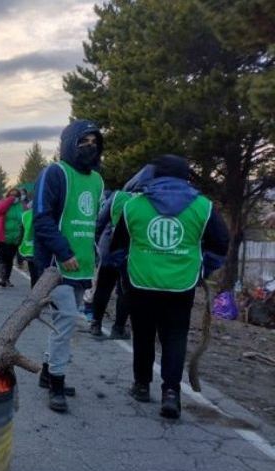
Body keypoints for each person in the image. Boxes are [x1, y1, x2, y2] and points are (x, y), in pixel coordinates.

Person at [111, 155, 229, 419]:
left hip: (141, 282)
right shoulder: (203, 207)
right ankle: (171, 393)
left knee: (142, 334)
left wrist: (126, 271)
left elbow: (117, 247)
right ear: (185, 176)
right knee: (175, 337)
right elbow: (221, 244)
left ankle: (141, 385)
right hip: (181, 285)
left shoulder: (134, 206)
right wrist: (201, 269)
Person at [33, 119, 105, 412]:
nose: (90, 147)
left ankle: (47, 372)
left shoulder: (98, 181)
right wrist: (63, 253)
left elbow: (95, 223)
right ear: (69, 144)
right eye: (83, 141)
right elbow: (41, 218)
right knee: (67, 320)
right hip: (55, 266)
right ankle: (58, 384)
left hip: (84, 266)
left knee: (64, 321)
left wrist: (96, 254)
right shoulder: (55, 173)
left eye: (95, 142)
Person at [90, 189, 133, 340]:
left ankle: (96, 324)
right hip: (131, 252)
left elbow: (100, 221)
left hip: (108, 248)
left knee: (103, 287)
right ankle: (118, 328)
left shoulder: (117, 196)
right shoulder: (146, 200)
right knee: (125, 291)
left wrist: (95, 244)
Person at [0, 188, 23, 287]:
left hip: (15, 237)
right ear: (8, 196)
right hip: (2, 237)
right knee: (3, 256)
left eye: (16, 196)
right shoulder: (3, 203)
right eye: (11, 195)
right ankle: (3, 278)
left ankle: (7, 278)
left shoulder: (21, 206)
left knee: (10, 258)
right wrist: (9, 200)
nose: (14, 197)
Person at [17, 198, 38, 286]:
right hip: (42, 250)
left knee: (33, 274)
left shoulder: (25, 215)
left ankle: (35, 292)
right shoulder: (47, 214)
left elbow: (21, 235)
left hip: (28, 249)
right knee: (41, 274)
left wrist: (19, 257)